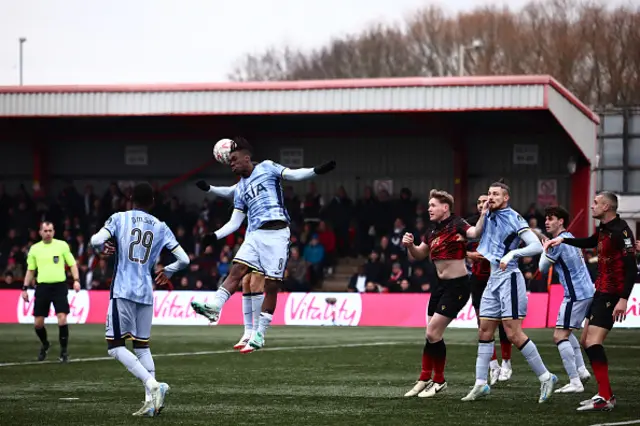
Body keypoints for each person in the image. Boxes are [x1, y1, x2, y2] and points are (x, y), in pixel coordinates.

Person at [190, 137, 336, 352]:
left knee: (271, 285)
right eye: (229, 160)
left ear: (247, 159)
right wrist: (215, 236)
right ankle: (215, 307)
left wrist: (316, 171)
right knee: (237, 270)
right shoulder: (240, 189)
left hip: (277, 235)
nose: (231, 163)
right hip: (256, 235)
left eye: (234, 159)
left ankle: (260, 333)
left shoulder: (267, 167)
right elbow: (235, 222)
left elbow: (293, 174)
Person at [90, 182, 190, 417]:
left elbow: (96, 241)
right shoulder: (160, 226)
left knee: (115, 347)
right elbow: (184, 259)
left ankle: (152, 384)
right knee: (142, 346)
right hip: (146, 291)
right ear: (153, 202)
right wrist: (169, 271)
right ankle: (151, 403)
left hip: (123, 290)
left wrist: (101, 248)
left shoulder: (119, 218)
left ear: (131, 198)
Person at [462, 180, 557, 403]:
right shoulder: (489, 215)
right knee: (484, 331)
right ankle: (480, 383)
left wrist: (511, 254)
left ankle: (546, 377)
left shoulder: (514, 218)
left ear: (506, 198)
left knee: (513, 333)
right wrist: (483, 214)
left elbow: (535, 246)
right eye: (488, 193)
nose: (490, 197)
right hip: (492, 279)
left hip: (510, 278)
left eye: (495, 194)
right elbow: (474, 235)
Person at [545, 191, 636, 411]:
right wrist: (563, 239)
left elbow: (631, 267)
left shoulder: (621, 230)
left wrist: (623, 299)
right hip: (600, 291)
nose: (592, 206)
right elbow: (590, 241)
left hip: (612, 294)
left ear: (607, 207)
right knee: (586, 341)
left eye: (596, 203)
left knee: (593, 343)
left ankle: (605, 397)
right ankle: (604, 394)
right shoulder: (603, 229)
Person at [402, 190, 486, 398]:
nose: (429, 209)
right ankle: (424, 378)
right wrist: (410, 245)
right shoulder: (431, 231)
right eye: (429, 205)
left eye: (433, 205)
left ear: (445, 207)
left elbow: (475, 233)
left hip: (457, 286)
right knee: (430, 335)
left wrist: (484, 213)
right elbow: (420, 254)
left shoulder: (457, 223)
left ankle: (439, 381)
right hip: (440, 285)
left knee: (432, 333)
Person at [195, 180, 266, 353]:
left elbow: (229, 192)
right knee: (246, 281)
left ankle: (257, 332)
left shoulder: (265, 185)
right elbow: (228, 190)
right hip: (253, 239)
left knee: (256, 280)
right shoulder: (246, 185)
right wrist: (210, 188)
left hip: (268, 240)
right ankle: (248, 331)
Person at [538, 206, 593, 393]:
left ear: (561, 221)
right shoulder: (570, 238)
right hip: (585, 291)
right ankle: (582, 371)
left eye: (551, 218)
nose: (547, 221)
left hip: (575, 294)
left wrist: (544, 249)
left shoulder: (557, 243)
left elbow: (543, 268)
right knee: (567, 333)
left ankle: (575, 381)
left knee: (559, 336)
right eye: (546, 218)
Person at [467, 194, 513, 385]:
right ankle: (493, 365)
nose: (481, 205)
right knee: (483, 323)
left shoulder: (501, 222)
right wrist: (471, 254)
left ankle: (507, 363)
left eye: (484, 201)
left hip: (499, 277)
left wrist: (485, 256)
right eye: (477, 202)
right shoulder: (471, 225)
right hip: (478, 280)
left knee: (504, 322)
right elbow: (458, 248)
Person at [22, 221, 81, 363]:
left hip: (59, 286)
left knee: (62, 318)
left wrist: (76, 280)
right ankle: (45, 343)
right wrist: (24, 288)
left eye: (50, 230)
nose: (48, 233)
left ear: (54, 232)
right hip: (42, 287)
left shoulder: (62, 246)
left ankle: (64, 351)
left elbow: (72, 264)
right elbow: (31, 270)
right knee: (38, 323)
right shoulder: (35, 249)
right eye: (45, 231)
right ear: (40, 232)